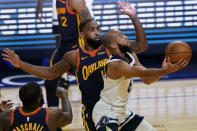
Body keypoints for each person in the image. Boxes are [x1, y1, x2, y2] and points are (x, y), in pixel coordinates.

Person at [2, 1, 148, 130]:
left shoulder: (108, 46)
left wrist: (134, 17)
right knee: (50, 83)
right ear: (83, 34)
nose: (97, 32)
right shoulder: (73, 56)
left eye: (98, 29)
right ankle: (52, 121)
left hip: (115, 108)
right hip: (93, 111)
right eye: (93, 29)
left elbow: (141, 45)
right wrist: (20, 64)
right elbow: (50, 72)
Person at [92, 2, 189, 131]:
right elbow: (141, 72)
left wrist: (134, 17)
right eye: (121, 36)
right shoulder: (115, 64)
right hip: (106, 111)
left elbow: (146, 76)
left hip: (122, 113)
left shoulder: (130, 53)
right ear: (114, 45)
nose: (126, 36)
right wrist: (166, 70)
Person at [35, 0, 93, 123]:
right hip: (64, 45)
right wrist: (39, 5)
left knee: (88, 83)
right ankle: (53, 118)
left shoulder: (75, 2)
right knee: (49, 82)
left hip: (78, 46)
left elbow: (89, 19)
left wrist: (92, 47)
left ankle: (94, 114)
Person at [0, 82, 72, 131]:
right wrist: (64, 94)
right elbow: (68, 118)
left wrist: (0, 113)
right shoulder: (52, 114)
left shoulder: (6, 116)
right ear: (39, 99)